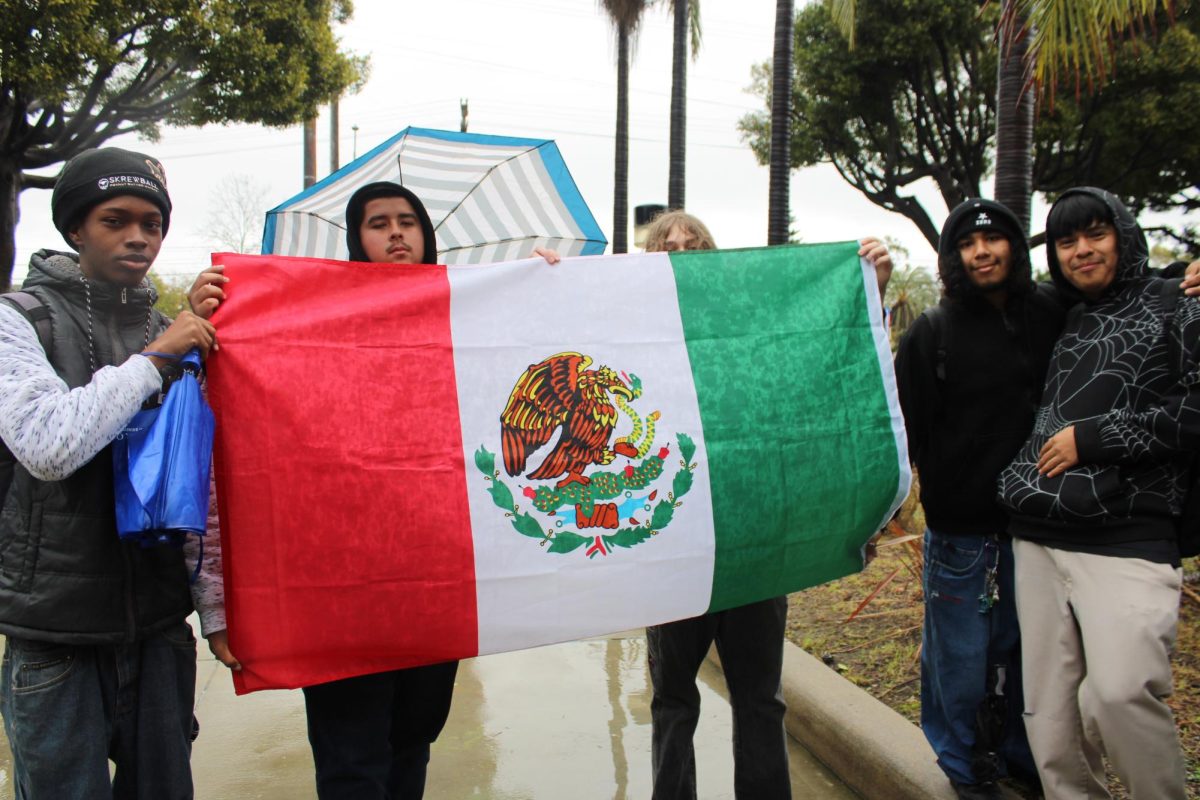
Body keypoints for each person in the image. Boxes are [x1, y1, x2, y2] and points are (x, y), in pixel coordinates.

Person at [640, 209, 893, 800]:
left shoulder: (755, 326)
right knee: (673, 700)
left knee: (760, 699)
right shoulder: (637, 339)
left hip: (756, 548)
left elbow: (827, 374)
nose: (682, 251)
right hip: (678, 549)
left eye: (695, 242)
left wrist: (865, 292)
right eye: (666, 245)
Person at [0, 147, 227, 798]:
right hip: (57, 637)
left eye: (152, 224)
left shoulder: (171, 329)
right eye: (115, 219)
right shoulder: (19, 320)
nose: (138, 236)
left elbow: (202, 485)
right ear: (75, 228)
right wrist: (157, 358)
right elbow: (48, 445)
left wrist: (213, 613)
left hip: (158, 630)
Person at [996, 187, 1198, 800]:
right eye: (1065, 242)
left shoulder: (1179, 301)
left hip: (1128, 537)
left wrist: (1094, 438)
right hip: (1039, 535)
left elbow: (1194, 414)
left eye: (1096, 234)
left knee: (1119, 695)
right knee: (1051, 726)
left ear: (1125, 235)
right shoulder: (1061, 312)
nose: (1082, 251)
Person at [894, 199, 1051, 800]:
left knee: (1027, 656)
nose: (982, 252)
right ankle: (964, 768)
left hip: (1038, 528)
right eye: (967, 244)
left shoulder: (1049, 315)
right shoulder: (934, 332)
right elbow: (906, 432)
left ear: (1013, 245)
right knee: (959, 661)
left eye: (993, 240)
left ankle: (1018, 759)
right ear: (954, 257)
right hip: (960, 534)